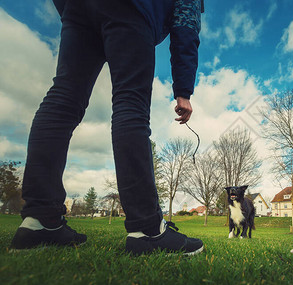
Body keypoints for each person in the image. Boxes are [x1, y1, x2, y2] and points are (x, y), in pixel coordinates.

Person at [10, 0, 204, 256]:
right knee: (130, 103)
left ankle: (40, 221)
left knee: (63, 99)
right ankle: (147, 230)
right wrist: (183, 90)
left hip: (78, 8)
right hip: (132, 9)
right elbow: (185, 23)